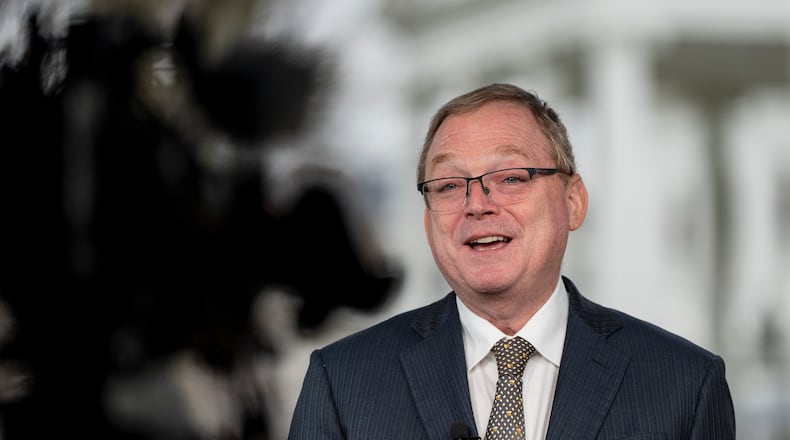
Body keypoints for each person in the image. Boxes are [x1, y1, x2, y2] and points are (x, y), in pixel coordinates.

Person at [287, 83, 736, 439]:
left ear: (574, 201)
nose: (477, 204)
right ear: (428, 224)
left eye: (511, 178)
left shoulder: (684, 384)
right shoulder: (342, 382)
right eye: (447, 185)